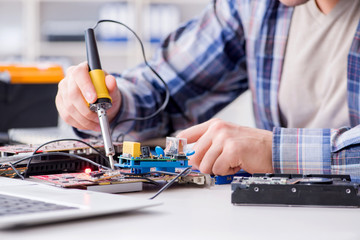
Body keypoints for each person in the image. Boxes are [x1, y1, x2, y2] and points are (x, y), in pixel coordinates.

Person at [56, 0, 360, 182]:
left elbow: (272, 150)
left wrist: (275, 150)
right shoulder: (252, 7)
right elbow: (166, 95)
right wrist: (111, 105)